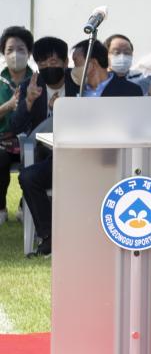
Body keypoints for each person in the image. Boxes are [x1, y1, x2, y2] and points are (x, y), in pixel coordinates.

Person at [17, 38, 141, 257]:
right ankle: (49, 238)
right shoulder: (75, 89)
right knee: (29, 177)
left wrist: (68, 109)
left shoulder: (129, 90)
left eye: (77, 62)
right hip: (70, 159)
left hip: (112, 162)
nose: (72, 69)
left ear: (91, 64)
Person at [0, 26, 34, 225]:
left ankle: (24, 205)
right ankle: (1, 207)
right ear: (3, 53)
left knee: (37, 157)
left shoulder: (38, 79)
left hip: (29, 139)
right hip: (3, 140)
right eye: (10, 49)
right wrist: (8, 106)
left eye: (21, 49)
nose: (15, 54)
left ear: (29, 53)